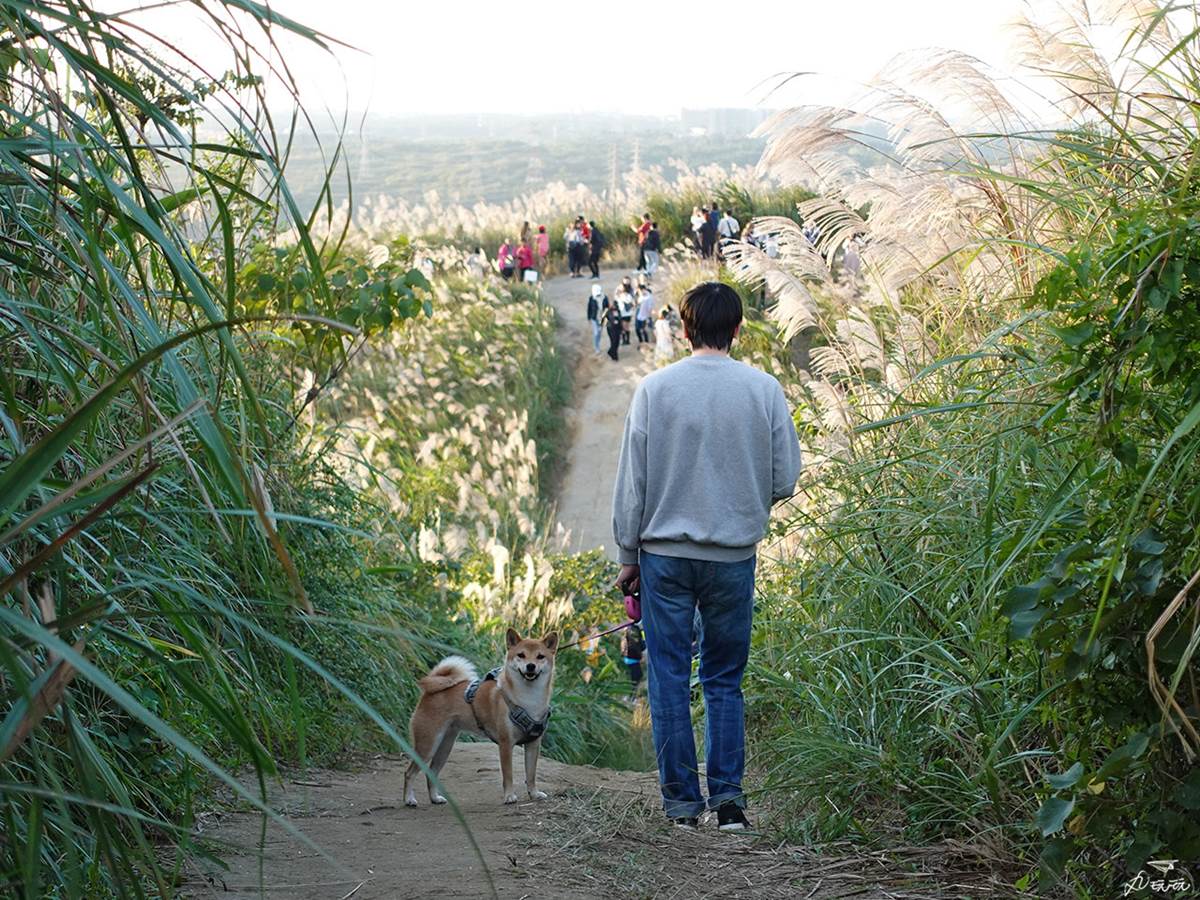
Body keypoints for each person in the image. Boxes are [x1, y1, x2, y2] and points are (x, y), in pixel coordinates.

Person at [611, 281, 802, 832]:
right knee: (723, 678)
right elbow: (785, 476)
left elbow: (633, 483)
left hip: (663, 557)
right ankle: (731, 805)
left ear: (685, 328)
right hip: (733, 557)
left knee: (668, 675)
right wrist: (742, 501)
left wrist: (629, 554)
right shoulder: (763, 389)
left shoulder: (655, 388)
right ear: (738, 330)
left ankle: (680, 807)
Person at [621, 624, 646, 700]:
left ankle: (630, 697)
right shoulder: (636, 634)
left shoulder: (626, 636)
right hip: (633, 662)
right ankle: (631, 697)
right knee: (635, 680)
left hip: (628, 661)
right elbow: (643, 647)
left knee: (630, 680)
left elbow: (622, 650)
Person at [587, 283, 607, 355]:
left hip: (602, 318)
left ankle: (597, 344)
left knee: (599, 332)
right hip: (594, 318)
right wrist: (589, 318)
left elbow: (607, 308)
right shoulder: (591, 298)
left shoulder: (604, 298)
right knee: (596, 333)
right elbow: (589, 308)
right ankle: (597, 347)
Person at [603, 291, 623, 361]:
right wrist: (609, 323)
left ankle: (611, 352)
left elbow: (620, 320)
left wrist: (621, 328)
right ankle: (614, 355)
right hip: (611, 328)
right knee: (614, 342)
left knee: (617, 342)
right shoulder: (607, 311)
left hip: (617, 328)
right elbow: (603, 321)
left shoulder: (618, 310)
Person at [615, 277, 635, 345]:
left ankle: (625, 340)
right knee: (626, 327)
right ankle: (627, 340)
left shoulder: (623, 295)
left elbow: (616, 300)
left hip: (623, 313)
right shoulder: (629, 294)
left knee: (624, 327)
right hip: (628, 313)